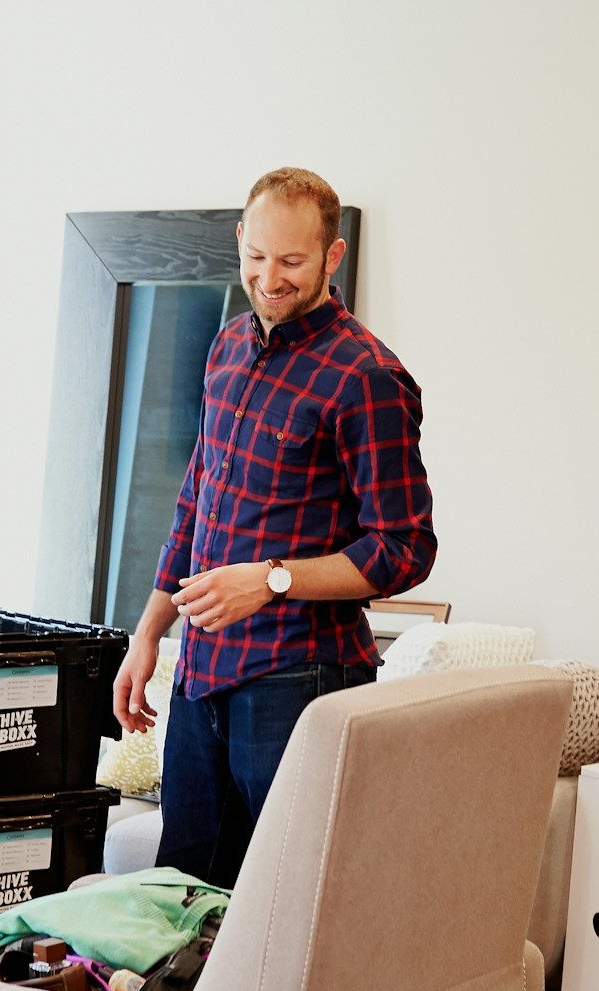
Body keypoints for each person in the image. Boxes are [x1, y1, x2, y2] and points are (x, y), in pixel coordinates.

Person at [111, 167, 437, 886]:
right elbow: (196, 501)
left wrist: (272, 581)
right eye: (256, 256)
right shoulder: (228, 346)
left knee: (288, 899)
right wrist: (148, 633)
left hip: (299, 680)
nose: (269, 277)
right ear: (239, 240)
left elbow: (406, 548)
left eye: (291, 261)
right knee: (181, 894)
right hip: (202, 674)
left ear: (332, 255)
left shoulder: (367, 377)